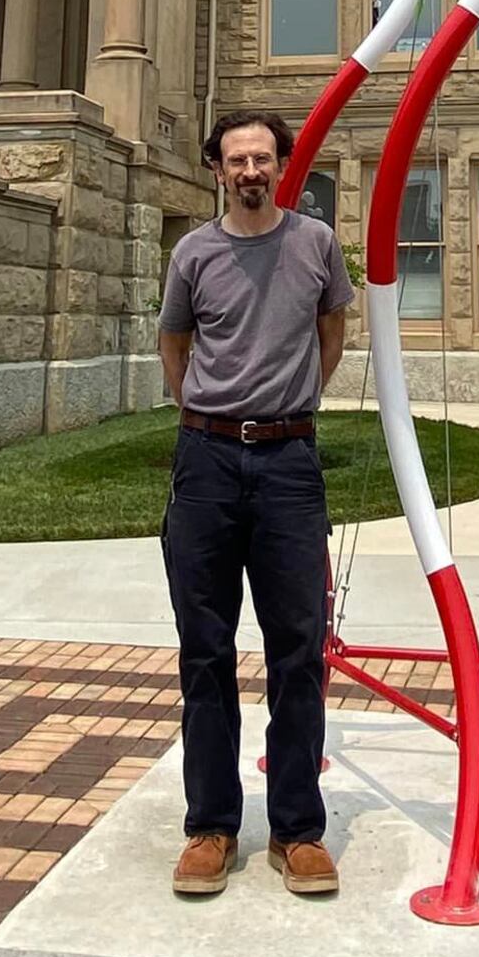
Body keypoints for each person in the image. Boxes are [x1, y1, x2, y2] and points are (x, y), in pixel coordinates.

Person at [158, 109, 355, 899]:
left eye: (263, 157)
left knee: (297, 651)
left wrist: (289, 402)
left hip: (289, 465)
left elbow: (331, 328)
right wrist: (206, 412)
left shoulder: (315, 243)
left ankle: (298, 831)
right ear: (217, 169)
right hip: (205, 462)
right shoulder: (194, 253)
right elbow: (175, 344)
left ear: (282, 166)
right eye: (237, 157)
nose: (250, 169)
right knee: (204, 651)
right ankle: (210, 826)